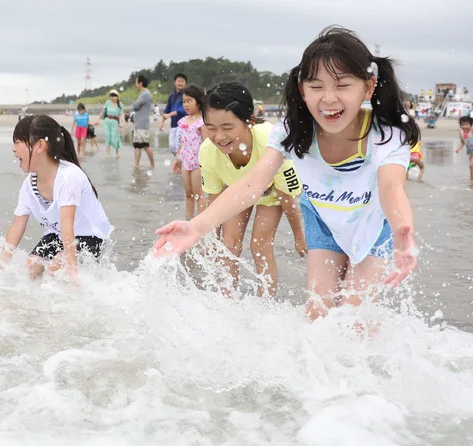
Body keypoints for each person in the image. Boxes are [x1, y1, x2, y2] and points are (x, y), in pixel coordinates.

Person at [154, 26, 420, 321]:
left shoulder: (385, 135)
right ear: (301, 89)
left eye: (342, 85)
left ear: (368, 87)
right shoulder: (293, 132)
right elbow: (253, 183)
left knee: (358, 320)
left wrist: (401, 228)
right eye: (316, 86)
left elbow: (391, 187)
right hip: (323, 221)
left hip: (372, 227)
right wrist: (197, 226)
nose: (329, 98)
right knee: (318, 316)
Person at [196, 82, 306, 296]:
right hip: (236, 191)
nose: (219, 136)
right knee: (229, 245)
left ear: (250, 122)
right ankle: (227, 299)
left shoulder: (271, 143)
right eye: (211, 128)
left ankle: (265, 302)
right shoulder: (208, 152)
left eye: (227, 128)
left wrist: (298, 235)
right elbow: (215, 200)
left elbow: (287, 196)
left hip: (271, 193)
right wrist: (210, 238)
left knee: (260, 245)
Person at [0, 115, 111, 282]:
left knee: (57, 267)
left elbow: (67, 224)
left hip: (91, 236)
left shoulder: (68, 176)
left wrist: (73, 272)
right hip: (56, 234)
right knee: (31, 267)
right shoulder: (29, 184)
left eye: (18, 142)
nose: (14, 149)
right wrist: (0, 263)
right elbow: (18, 223)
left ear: (40, 145)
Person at [173, 85, 207, 218]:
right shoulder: (183, 121)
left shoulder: (201, 122)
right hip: (185, 162)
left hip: (198, 163)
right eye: (184, 101)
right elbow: (183, 142)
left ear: (198, 102)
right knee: (188, 194)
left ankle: (201, 222)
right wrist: (177, 159)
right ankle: (188, 220)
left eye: (189, 101)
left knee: (199, 194)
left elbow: (206, 143)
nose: (186, 104)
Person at [159, 73, 188, 155]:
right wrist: (161, 122)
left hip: (183, 125)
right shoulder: (172, 95)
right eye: (179, 81)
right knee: (172, 148)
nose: (180, 83)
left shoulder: (186, 95)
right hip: (173, 125)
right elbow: (167, 109)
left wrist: (170, 115)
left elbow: (183, 110)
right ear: (175, 83)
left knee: (180, 148)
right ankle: (178, 166)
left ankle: (182, 166)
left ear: (185, 83)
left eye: (182, 81)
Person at [129, 74, 154, 168]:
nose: (136, 84)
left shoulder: (145, 94)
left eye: (136, 82)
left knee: (144, 145)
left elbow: (135, 106)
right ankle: (137, 165)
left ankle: (151, 164)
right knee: (139, 145)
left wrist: (134, 107)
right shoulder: (145, 94)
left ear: (140, 83)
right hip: (140, 123)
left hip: (142, 124)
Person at [91, 90, 123, 158]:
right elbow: (102, 112)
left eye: (114, 96)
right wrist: (97, 120)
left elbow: (120, 116)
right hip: (107, 122)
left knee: (115, 137)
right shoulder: (107, 102)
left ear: (117, 96)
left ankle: (117, 153)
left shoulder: (120, 105)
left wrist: (121, 124)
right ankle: (108, 155)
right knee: (108, 137)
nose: (112, 98)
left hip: (115, 122)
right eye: (111, 96)